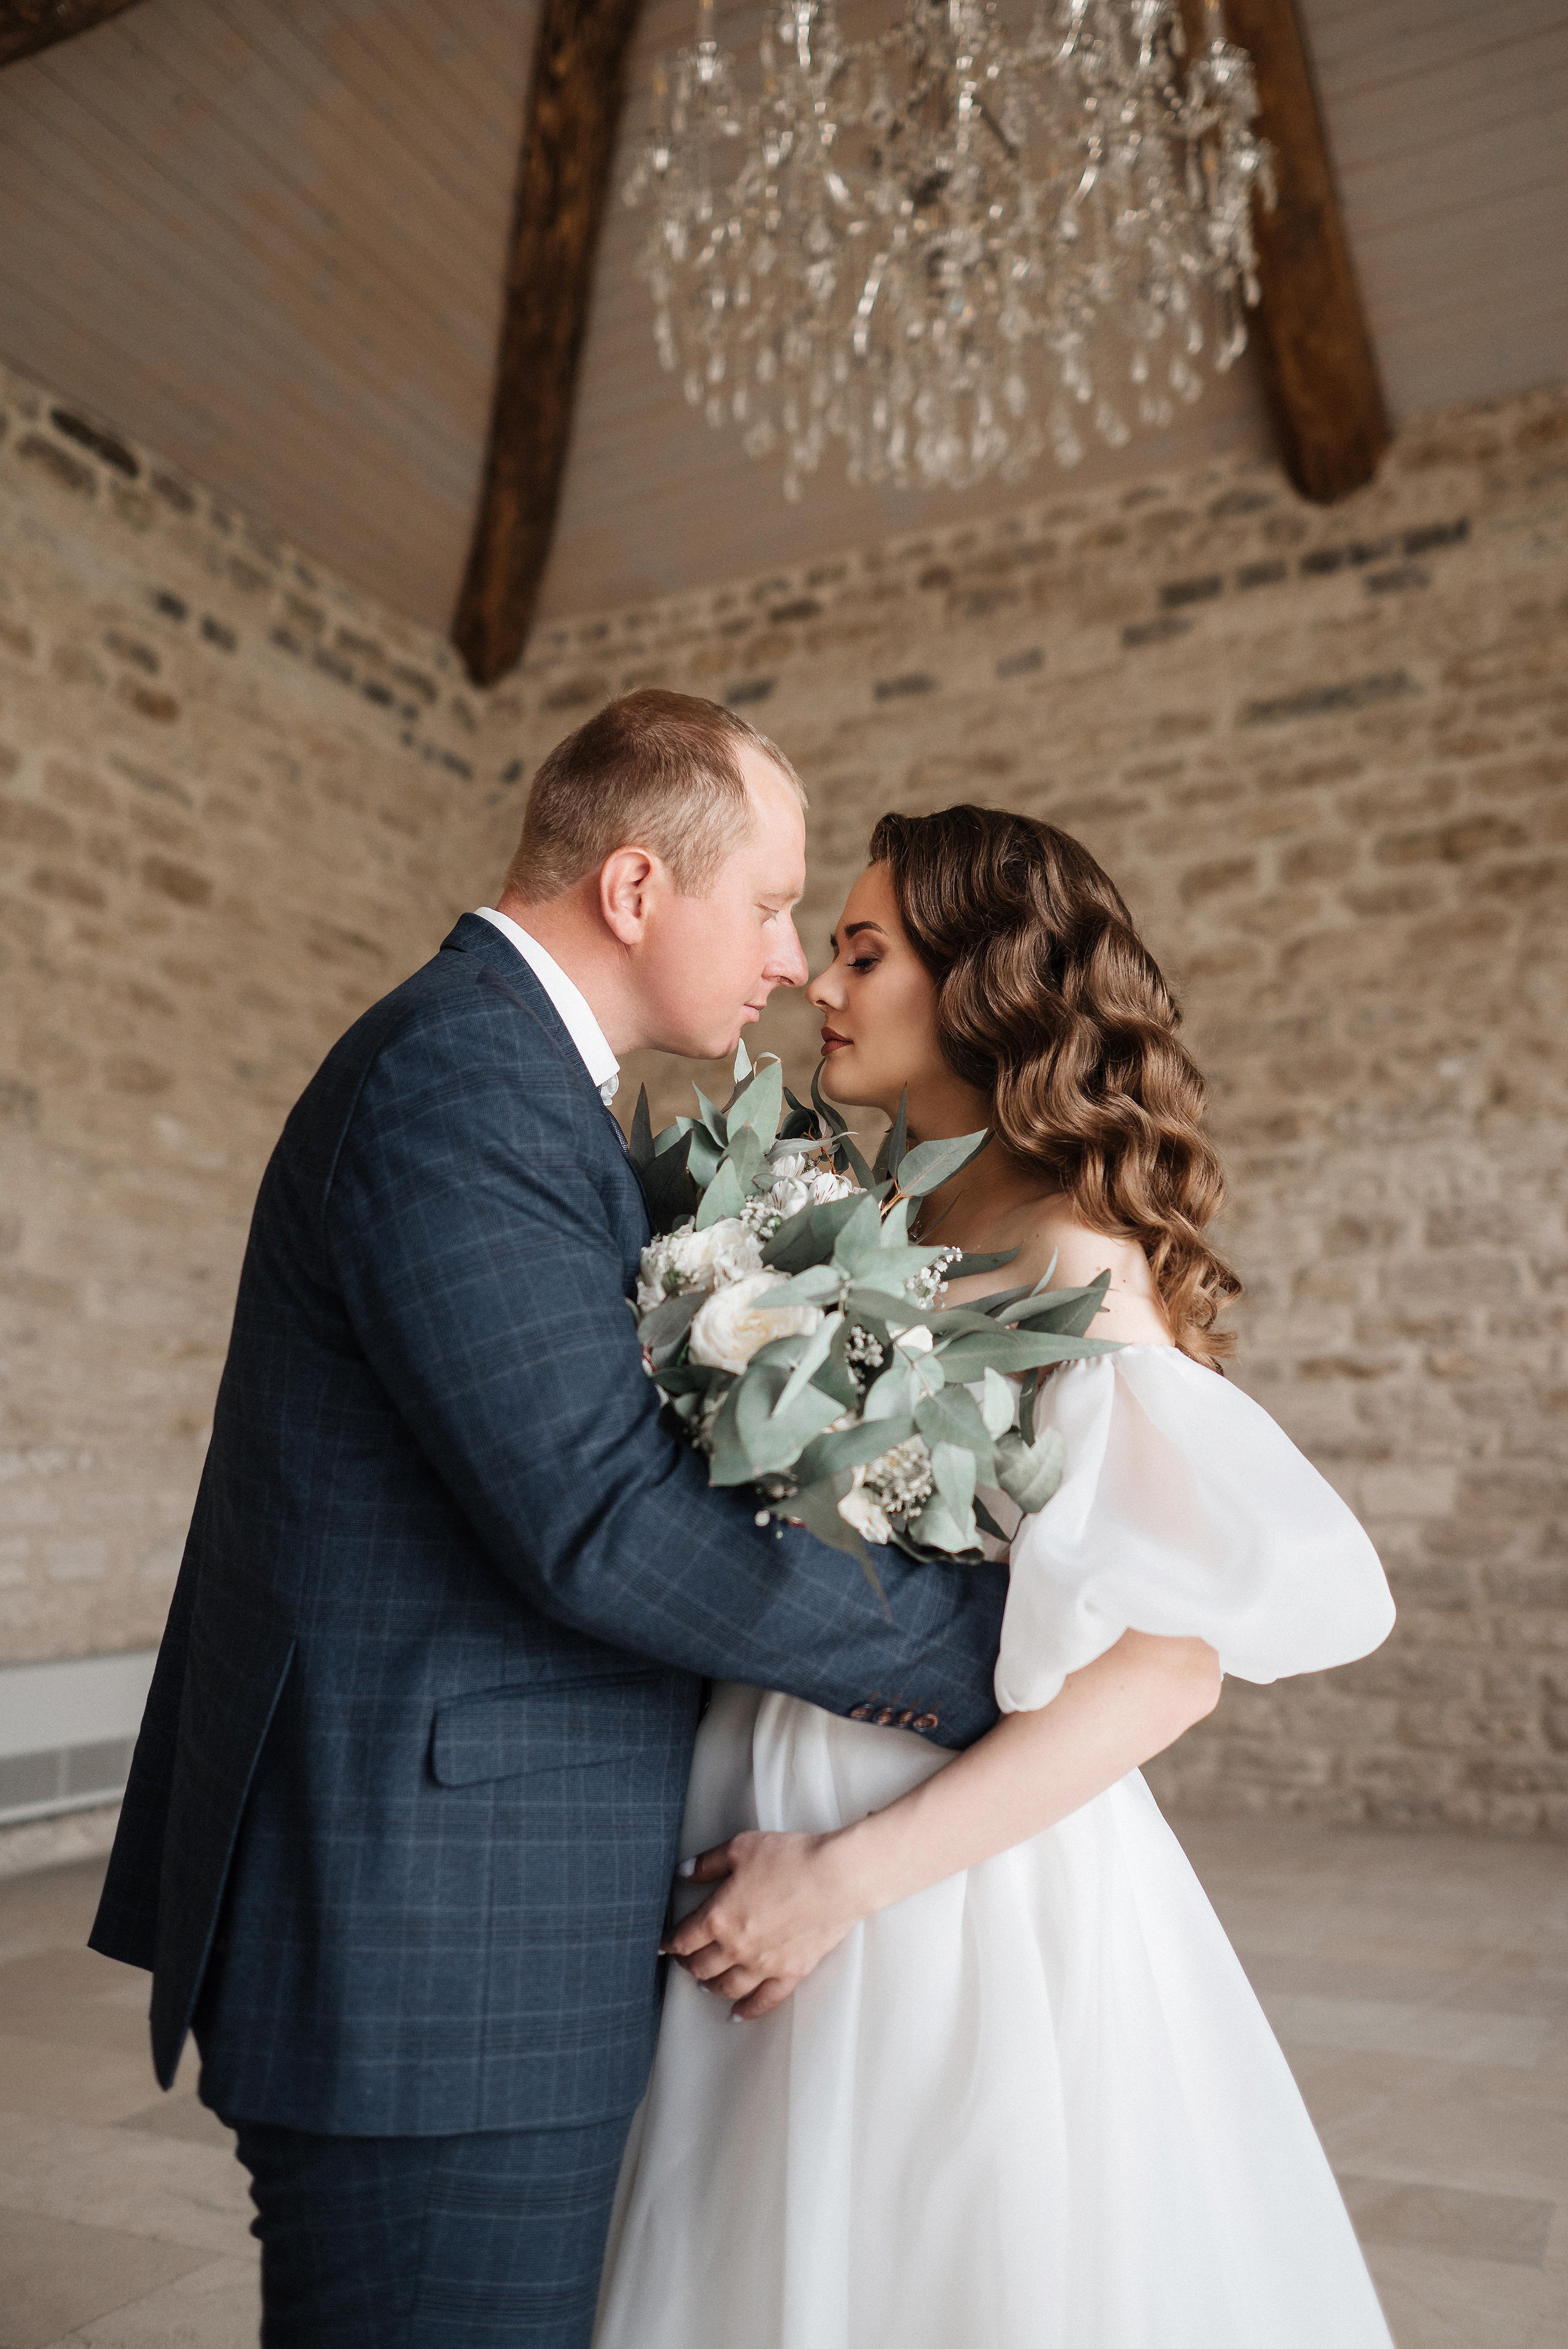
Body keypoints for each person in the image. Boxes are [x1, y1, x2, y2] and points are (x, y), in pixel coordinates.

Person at [88, 695, 1015, 2349]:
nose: (793, 960)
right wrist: (950, 1654)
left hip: (465, 1921)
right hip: (434, 1945)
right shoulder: (463, 1078)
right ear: (638, 889)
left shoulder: (512, 1079)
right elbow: (596, 1517)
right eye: (769, 904)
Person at [593, 806, 1398, 2349]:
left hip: (925, 1877)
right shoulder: (883, 1211)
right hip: (754, 1785)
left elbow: (1167, 1668)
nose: (817, 984)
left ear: (984, 985)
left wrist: (839, 1884)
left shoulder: (1070, 1253)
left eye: (862, 950)